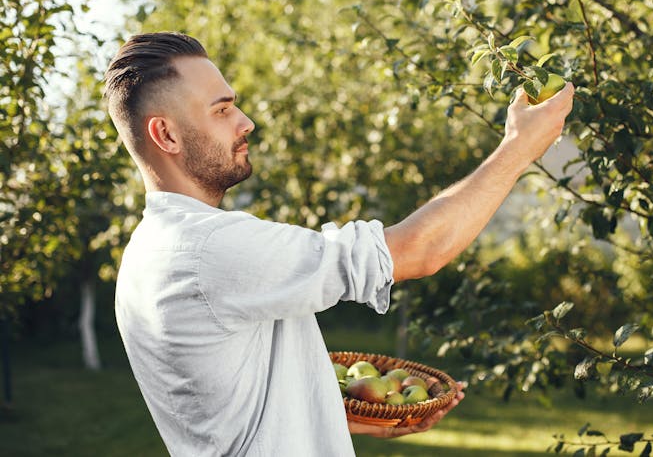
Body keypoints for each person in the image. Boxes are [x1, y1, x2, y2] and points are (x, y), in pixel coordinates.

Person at [104, 32, 574, 456]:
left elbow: (226, 403)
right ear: (165, 134)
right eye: (222, 110)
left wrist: (342, 415)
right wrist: (519, 148)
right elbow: (417, 251)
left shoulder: (150, 250)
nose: (245, 122)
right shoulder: (207, 249)